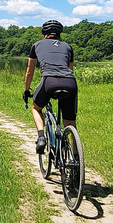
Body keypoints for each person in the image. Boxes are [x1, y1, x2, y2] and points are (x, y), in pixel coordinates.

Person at [23, 20, 77, 154]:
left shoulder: (36, 45)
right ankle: (75, 158)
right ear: (59, 33)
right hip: (70, 81)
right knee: (70, 122)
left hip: (49, 81)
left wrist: (26, 90)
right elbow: (70, 69)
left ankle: (41, 137)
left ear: (44, 33)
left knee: (36, 108)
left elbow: (30, 71)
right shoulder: (68, 46)